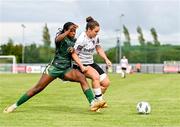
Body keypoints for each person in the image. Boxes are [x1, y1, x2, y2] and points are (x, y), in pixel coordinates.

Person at [3, 22, 104, 113]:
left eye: (74, 31)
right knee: (37, 88)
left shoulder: (75, 41)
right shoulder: (61, 38)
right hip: (54, 68)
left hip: (66, 70)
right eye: (71, 31)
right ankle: (14, 106)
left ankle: (92, 103)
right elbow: (57, 39)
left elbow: (77, 51)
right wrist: (68, 30)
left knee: (82, 78)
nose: (73, 33)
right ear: (66, 30)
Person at [73, 16, 112, 107]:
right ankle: (100, 101)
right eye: (96, 31)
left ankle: (95, 101)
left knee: (106, 83)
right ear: (89, 29)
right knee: (95, 76)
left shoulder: (96, 37)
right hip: (80, 64)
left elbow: (98, 48)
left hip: (91, 63)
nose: (97, 33)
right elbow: (74, 54)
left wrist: (106, 59)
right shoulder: (81, 39)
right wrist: (81, 66)